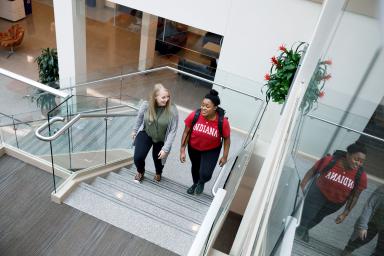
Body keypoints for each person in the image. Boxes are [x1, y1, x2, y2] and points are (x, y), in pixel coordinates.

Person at [297, 141, 368, 242]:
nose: (358, 163)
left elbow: (355, 196)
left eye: (361, 161)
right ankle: (297, 234)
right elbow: (312, 171)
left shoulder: (361, 176)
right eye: (356, 159)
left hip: (335, 203)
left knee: (318, 218)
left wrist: (345, 213)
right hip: (318, 193)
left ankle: (304, 230)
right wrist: (302, 186)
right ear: (348, 154)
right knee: (307, 215)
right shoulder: (329, 160)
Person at [179, 89, 230, 195]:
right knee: (195, 167)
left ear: (215, 108)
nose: (203, 108)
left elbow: (227, 139)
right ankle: (195, 183)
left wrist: (225, 156)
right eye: (202, 105)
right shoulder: (194, 115)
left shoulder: (222, 122)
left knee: (205, 173)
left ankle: (201, 182)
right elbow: (186, 132)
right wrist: (182, 150)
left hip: (211, 150)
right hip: (193, 147)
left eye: (207, 106)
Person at [131, 83, 178, 182]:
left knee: (158, 160)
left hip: (161, 138)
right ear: (155, 97)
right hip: (146, 133)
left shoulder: (172, 109)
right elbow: (140, 117)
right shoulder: (146, 105)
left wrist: (165, 149)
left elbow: (173, 131)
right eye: (163, 97)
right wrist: (135, 130)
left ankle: (158, 172)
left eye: (168, 97)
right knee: (138, 157)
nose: (167, 99)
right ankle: (140, 171)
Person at [341, 185, 384, 256]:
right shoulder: (382, 191)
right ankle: (347, 251)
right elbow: (369, 207)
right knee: (361, 238)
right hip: (373, 222)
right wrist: (363, 226)